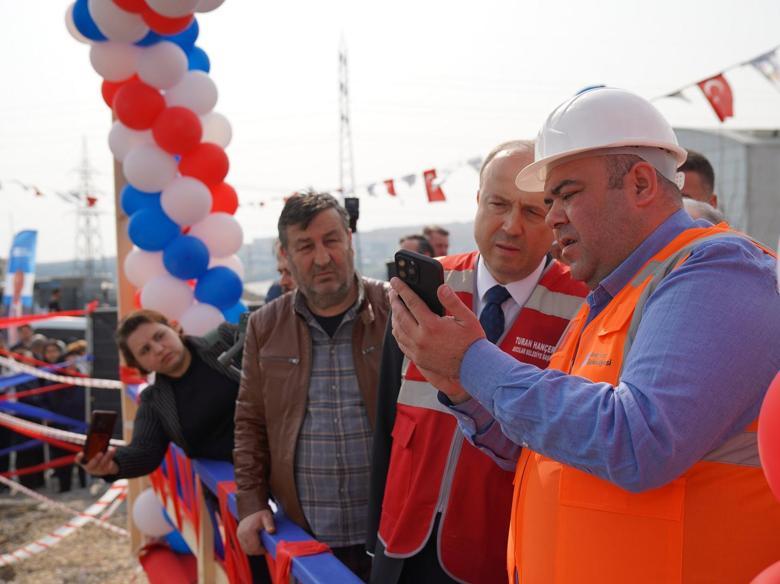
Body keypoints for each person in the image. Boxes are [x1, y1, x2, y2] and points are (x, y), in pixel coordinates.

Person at [387, 87, 780, 583]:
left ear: (640, 184)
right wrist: (464, 385)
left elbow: (640, 442)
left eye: (567, 194)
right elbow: (546, 444)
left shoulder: (719, 268)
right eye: (549, 200)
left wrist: (472, 360)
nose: (551, 217)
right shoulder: (611, 296)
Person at [367, 141, 588, 584]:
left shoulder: (582, 308)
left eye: (531, 211)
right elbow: (387, 419)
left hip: (498, 553)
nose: (511, 226)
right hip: (403, 540)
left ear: (554, 218)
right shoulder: (426, 288)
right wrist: (376, 536)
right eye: (498, 204)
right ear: (477, 201)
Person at [233, 192, 390, 581]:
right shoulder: (264, 326)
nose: (322, 258)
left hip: (395, 531)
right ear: (285, 255)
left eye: (331, 240)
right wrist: (251, 503)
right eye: (305, 246)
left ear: (349, 239)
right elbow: (250, 422)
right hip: (307, 536)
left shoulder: (397, 309)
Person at [76, 309, 241, 479]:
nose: (158, 349)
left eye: (159, 336)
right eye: (145, 350)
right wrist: (113, 465)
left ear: (174, 328)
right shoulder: (153, 402)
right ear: (139, 364)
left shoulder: (225, 340)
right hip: (239, 483)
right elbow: (144, 450)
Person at [43, 339, 86, 492]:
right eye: (68, 362)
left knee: (83, 458)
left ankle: (84, 484)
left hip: (81, 425)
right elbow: (50, 401)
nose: (71, 365)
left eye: (74, 362)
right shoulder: (54, 380)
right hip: (61, 426)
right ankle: (64, 487)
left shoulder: (84, 379)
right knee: (62, 460)